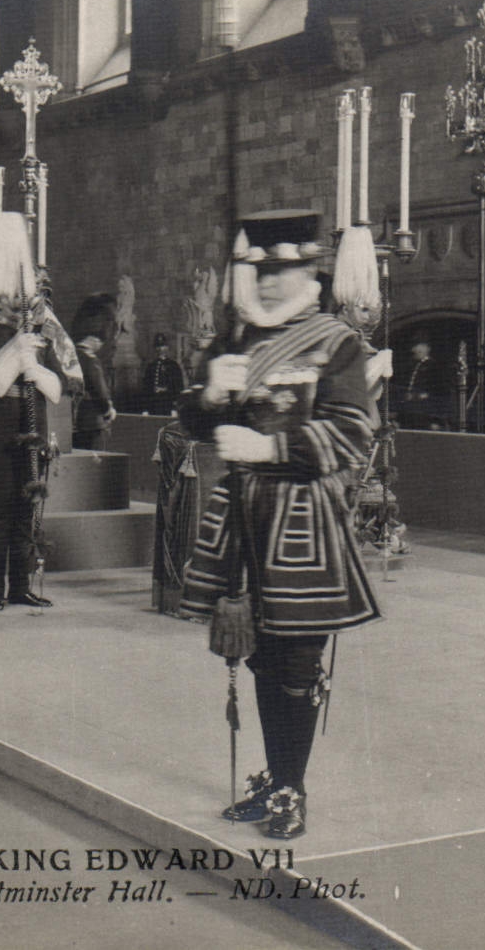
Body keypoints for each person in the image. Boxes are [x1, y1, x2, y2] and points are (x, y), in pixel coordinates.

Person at [180, 209, 381, 841]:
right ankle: (275, 775)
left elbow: (354, 432)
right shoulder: (235, 340)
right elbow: (189, 419)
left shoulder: (336, 342)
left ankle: (293, 789)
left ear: (308, 272)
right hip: (241, 521)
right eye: (259, 271)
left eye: (282, 271)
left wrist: (268, 449)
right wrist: (210, 399)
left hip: (301, 526)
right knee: (262, 658)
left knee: (295, 663)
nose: (268, 284)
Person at [0, 212, 66, 611]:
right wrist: (15, 355)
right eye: (9, 293)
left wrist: (34, 367)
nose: (16, 300)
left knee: (29, 507)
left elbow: (57, 390)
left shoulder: (42, 333)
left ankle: (20, 585)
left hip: (35, 419)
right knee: (5, 507)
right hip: (2, 422)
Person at [70, 292, 118, 450]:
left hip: (75, 421)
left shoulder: (72, 355)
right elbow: (99, 390)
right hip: (93, 423)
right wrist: (108, 410)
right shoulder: (90, 360)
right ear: (94, 339)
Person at [398, 338, 452, 430]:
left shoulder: (436, 367)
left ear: (426, 348)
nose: (413, 350)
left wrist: (436, 420)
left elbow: (441, 394)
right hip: (412, 412)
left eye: (416, 346)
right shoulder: (413, 366)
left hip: (427, 414)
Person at [140, 332, 186, 415]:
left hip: (168, 405)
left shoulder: (173, 366)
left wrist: (174, 408)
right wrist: (145, 408)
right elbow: (146, 389)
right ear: (155, 348)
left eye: (163, 346)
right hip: (153, 405)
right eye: (158, 346)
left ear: (167, 347)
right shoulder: (151, 366)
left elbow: (178, 388)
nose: (161, 349)